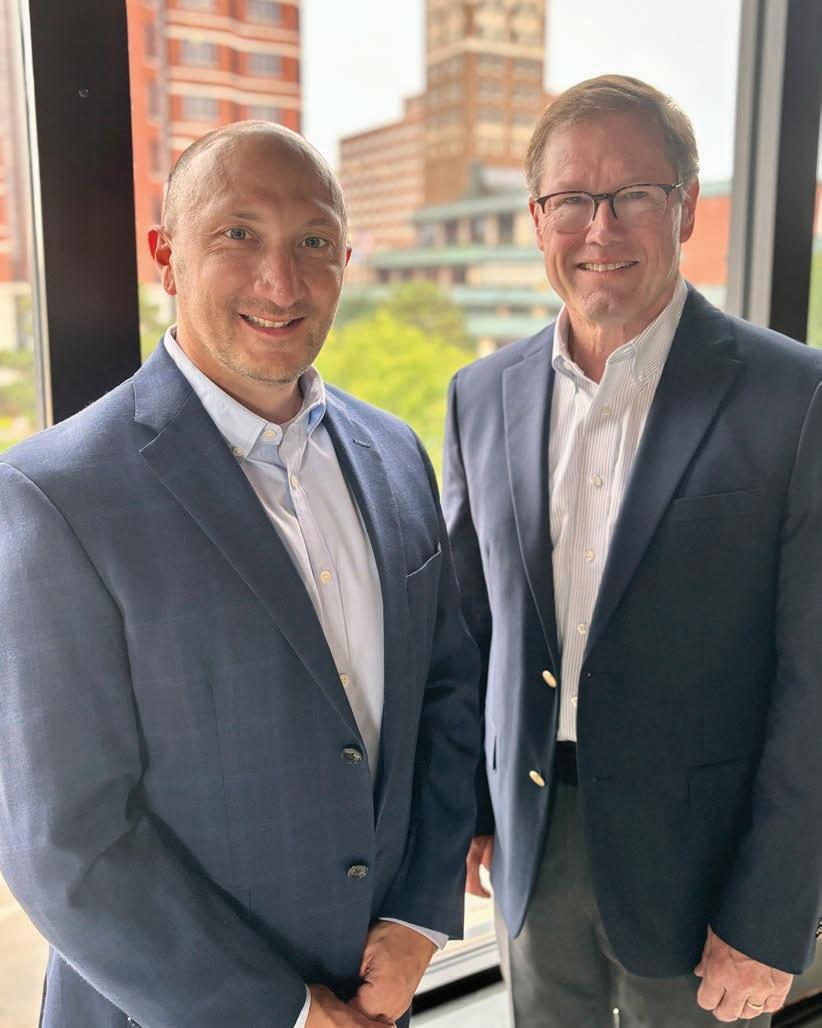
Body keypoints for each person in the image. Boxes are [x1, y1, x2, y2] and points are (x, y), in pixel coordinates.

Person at [0, 122, 480, 1028]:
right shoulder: (54, 496)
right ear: (166, 257)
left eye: (313, 242)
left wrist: (419, 916)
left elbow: (446, 696)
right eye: (238, 234)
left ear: (346, 259)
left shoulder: (395, 453)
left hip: (377, 991)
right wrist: (283, 1013)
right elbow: (65, 843)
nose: (281, 282)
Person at [442, 74, 822, 1027]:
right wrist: (475, 807)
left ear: (684, 206)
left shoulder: (795, 397)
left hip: (706, 865)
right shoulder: (479, 396)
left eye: (634, 195)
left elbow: (815, 682)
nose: (600, 228)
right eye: (572, 198)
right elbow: (470, 628)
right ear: (537, 217)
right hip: (534, 841)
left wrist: (773, 913)